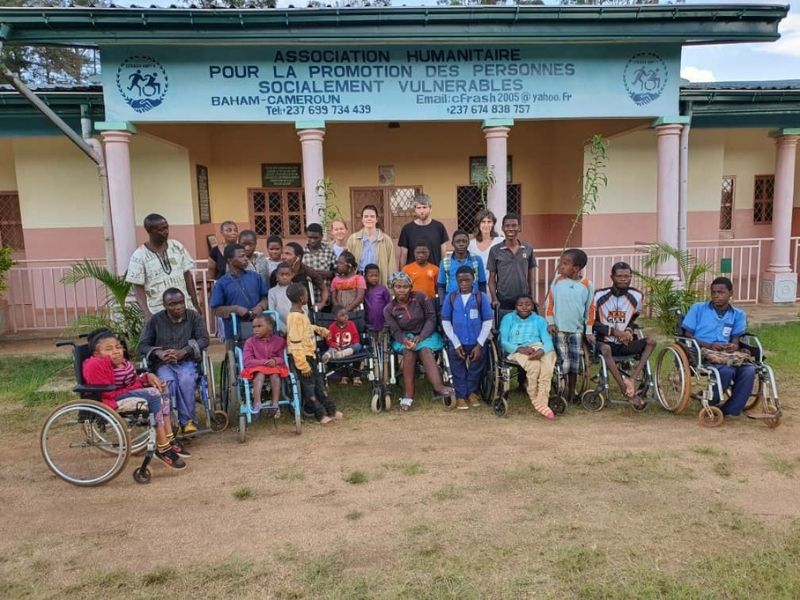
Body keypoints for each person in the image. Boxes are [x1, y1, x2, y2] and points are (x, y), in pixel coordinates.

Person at [82, 329, 188, 470]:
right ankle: (163, 448)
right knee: (153, 394)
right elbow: (109, 392)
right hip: (111, 398)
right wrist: (141, 383)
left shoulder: (122, 363)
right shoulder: (96, 365)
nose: (116, 351)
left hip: (124, 392)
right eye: (109, 349)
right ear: (96, 354)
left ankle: (170, 438)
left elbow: (131, 381)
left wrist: (147, 377)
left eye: (118, 347)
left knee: (162, 386)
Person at [138, 288, 209, 435]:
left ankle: (187, 421)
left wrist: (184, 351)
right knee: (168, 383)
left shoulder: (193, 317)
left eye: (181, 302)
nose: (178, 307)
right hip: (163, 364)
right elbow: (142, 345)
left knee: (186, 381)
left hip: (186, 361)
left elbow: (204, 339)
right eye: (172, 304)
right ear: (165, 305)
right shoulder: (155, 320)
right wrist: (159, 353)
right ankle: (172, 421)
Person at [681, 277, 755, 417]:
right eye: (713, 292)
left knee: (749, 370)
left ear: (730, 293)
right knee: (727, 371)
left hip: (725, 353)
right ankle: (711, 402)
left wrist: (732, 346)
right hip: (700, 349)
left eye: (721, 292)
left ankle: (730, 409)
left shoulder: (738, 315)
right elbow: (687, 334)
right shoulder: (698, 308)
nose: (716, 295)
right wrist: (709, 345)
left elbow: (735, 340)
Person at [383, 272, 455, 411]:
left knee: (425, 350)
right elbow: (396, 331)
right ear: (392, 288)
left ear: (411, 287)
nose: (402, 289)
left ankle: (438, 387)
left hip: (426, 333)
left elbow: (431, 317)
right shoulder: (389, 309)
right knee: (409, 352)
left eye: (405, 286)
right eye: (398, 286)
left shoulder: (420, 297)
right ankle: (409, 394)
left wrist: (421, 336)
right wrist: (406, 340)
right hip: (403, 337)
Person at [593, 261, 656, 408]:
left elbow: (633, 318)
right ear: (612, 277)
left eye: (627, 276)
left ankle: (632, 379)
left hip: (624, 343)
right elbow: (591, 323)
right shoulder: (599, 296)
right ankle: (625, 390)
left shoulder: (637, 296)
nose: (623, 279)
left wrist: (628, 330)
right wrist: (614, 332)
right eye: (620, 276)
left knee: (651, 341)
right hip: (604, 342)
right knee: (607, 349)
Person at [285, 283, 342, 424]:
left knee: (319, 385)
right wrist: (303, 365)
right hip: (302, 358)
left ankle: (331, 410)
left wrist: (320, 330)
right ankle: (320, 414)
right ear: (301, 298)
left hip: (310, 355)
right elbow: (295, 342)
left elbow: (307, 328)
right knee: (309, 389)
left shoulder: (301, 313)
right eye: (306, 295)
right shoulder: (294, 317)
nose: (308, 297)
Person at [126, 213, 201, 320]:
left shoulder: (177, 246)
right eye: (160, 230)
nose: (165, 232)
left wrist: (195, 304)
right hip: (158, 311)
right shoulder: (139, 255)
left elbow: (187, 276)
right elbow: (138, 287)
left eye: (166, 228)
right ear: (149, 231)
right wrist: (147, 313)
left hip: (185, 308)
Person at [545, 249, 595, 404]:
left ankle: (572, 392)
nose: (561, 266)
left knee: (574, 363)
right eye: (561, 262)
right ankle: (564, 390)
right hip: (559, 330)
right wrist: (551, 322)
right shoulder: (557, 281)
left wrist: (588, 330)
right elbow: (550, 303)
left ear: (576, 268)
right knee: (564, 363)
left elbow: (590, 309)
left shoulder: (587, 285)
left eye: (565, 264)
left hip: (577, 331)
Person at [440, 266, 493, 410]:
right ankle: (461, 396)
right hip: (457, 341)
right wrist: (456, 343)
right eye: (460, 280)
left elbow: (488, 321)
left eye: (467, 280)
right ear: (456, 281)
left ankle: (472, 393)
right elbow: (445, 321)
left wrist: (480, 344)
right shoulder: (451, 297)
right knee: (457, 368)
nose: (464, 283)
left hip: (477, 341)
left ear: (473, 279)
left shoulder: (480, 297)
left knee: (476, 366)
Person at [500, 295, 558, 420]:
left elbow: (548, 341)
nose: (524, 307)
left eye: (528, 304)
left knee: (547, 367)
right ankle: (534, 397)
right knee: (534, 366)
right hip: (517, 348)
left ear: (533, 306)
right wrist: (520, 349)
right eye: (520, 304)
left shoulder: (539, 320)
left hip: (539, 347)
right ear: (515, 307)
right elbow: (503, 341)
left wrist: (542, 351)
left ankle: (541, 401)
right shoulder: (508, 318)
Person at [210, 244, 269, 340]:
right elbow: (215, 310)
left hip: (259, 329)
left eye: (245, 256)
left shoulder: (255, 276)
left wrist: (260, 306)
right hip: (234, 331)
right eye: (241, 256)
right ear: (229, 260)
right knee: (235, 354)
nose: (246, 259)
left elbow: (265, 297)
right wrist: (235, 309)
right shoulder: (221, 283)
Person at [486, 213, 537, 314]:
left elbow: (531, 276)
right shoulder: (495, 250)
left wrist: (532, 296)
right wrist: (494, 299)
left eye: (514, 226)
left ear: (519, 228)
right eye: (507, 226)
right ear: (502, 228)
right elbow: (491, 280)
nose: (511, 229)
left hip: (524, 301)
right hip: (503, 302)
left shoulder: (527, 249)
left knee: (523, 329)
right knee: (504, 329)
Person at [241, 313, 288, 417]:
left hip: (273, 367)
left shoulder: (279, 341)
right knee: (260, 375)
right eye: (254, 327)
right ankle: (257, 402)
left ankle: (275, 404)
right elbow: (248, 361)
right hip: (256, 367)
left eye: (259, 326)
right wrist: (264, 362)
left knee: (275, 375)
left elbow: (282, 358)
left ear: (270, 327)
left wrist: (275, 361)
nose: (256, 329)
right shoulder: (250, 342)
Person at [269, 242, 329, 311]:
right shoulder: (276, 274)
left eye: (288, 254)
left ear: (298, 257)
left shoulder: (308, 271)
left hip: (304, 312)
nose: (283, 257)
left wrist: (321, 303)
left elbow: (324, 289)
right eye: (283, 253)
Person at [347, 204, 396, 286]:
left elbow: (391, 265)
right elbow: (348, 262)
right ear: (362, 219)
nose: (369, 219)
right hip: (358, 280)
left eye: (372, 216)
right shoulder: (353, 239)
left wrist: (391, 285)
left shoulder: (385, 240)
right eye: (366, 216)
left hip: (378, 280)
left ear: (376, 219)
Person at [398, 193, 449, 268]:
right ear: (415, 209)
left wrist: (444, 274)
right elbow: (403, 256)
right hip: (413, 276)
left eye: (424, 207)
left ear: (430, 208)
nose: (422, 211)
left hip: (435, 275)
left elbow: (444, 254)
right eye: (419, 208)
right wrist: (401, 275)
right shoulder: (407, 229)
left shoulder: (439, 227)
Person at [438, 229, 487, 297]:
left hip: (473, 300)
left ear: (468, 243)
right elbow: (441, 286)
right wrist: (442, 305)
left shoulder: (477, 260)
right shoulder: (445, 262)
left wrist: (482, 302)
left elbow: (482, 284)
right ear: (453, 243)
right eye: (458, 241)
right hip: (452, 301)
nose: (461, 244)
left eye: (464, 241)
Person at [322, 305, 363, 385]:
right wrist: (333, 344)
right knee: (332, 349)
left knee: (358, 346)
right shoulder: (332, 327)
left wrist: (354, 344)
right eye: (342, 315)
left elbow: (355, 336)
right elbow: (329, 340)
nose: (345, 316)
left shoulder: (351, 324)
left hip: (350, 348)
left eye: (346, 314)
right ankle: (344, 376)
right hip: (338, 348)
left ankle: (356, 377)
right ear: (335, 318)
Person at [303, 223, 336, 302]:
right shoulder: (302, 252)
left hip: (326, 298)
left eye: (316, 238)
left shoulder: (329, 251)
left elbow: (337, 272)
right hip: (307, 299)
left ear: (321, 236)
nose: (313, 240)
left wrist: (328, 274)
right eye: (310, 237)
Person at [363, 263, 391, 334]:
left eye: (376, 276)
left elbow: (389, 305)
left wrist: (388, 321)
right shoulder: (363, 290)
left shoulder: (383, 289)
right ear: (365, 277)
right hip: (368, 323)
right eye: (371, 276)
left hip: (382, 323)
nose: (374, 278)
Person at [268, 262, 294, 328]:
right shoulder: (272, 292)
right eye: (282, 274)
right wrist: (283, 328)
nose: (285, 277)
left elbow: (304, 309)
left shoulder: (298, 289)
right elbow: (272, 313)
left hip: (297, 326)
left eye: (287, 274)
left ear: (292, 275)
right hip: (280, 328)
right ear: (276, 275)